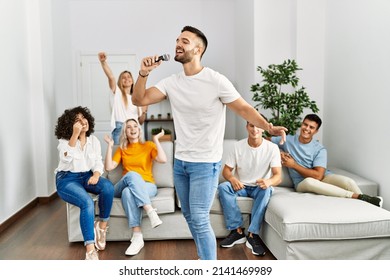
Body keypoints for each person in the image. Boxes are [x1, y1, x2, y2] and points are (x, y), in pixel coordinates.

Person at [131, 25, 287, 260]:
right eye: (177, 40)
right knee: (189, 216)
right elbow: (138, 99)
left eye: (184, 40)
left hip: (205, 163)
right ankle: (205, 258)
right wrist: (143, 73)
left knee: (200, 217)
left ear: (198, 48)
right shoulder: (171, 82)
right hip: (181, 162)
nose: (178, 44)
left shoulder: (216, 80)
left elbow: (244, 108)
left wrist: (268, 127)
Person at [270, 113, 383, 207]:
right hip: (301, 183)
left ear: (316, 131)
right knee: (310, 181)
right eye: (305, 124)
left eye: (311, 127)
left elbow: (319, 176)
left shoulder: (319, 149)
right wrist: (279, 152)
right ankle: (359, 197)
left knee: (349, 182)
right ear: (302, 124)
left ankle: (371, 207)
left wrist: (293, 165)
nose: (307, 129)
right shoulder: (287, 140)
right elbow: (266, 141)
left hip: (323, 178)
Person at [54, 106, 114, 260]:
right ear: (71, 125)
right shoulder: (64, 141)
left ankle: (102, 227)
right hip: (66, 179)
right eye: (77, 120)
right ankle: (90, 250)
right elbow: (65, 158)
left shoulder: (93, 140)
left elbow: (98, 163)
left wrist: (96, 174)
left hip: (86, 175)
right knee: (86, 202)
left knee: (107, 187)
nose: (82, 122)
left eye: (84, 118)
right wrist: (75, 135)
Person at [218, 119, 282, 256]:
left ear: (264, 129)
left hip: (260, 187)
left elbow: (278, 176)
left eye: (258, 126)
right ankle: (237, 232)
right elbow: (226, 171)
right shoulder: (237, 146)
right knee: (223, 187)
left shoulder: (272, 148)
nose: (255, 129)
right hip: (241, 186)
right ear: (247, 126)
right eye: (251, 125)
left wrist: (268, 181)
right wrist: (232, 179)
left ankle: (253, 235)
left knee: (267, 190)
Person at [104, 118, 167, 256]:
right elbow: (109, 167)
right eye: (128, 127)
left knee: (128, 193)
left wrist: (156, 139)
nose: (132, 129)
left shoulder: (149, 145)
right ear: (125, 132)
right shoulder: (122, 149)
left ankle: (137, 236)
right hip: (124, 183)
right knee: (132, 176)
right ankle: (150, 210)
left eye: (135, 126)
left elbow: (163, 159)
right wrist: (110, 145)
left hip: (148, 186)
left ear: (139, 130)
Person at [98, 52, 148, 145]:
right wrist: (103, 62)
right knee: (119, 157)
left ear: (132, 80)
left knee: (134, 156)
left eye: (129, 77)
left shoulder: (137, 99)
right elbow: (111, 77)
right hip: (120, 128)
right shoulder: (117, 93)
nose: (126, 79)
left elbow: (140, 122)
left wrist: (144, 112)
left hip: (135, 130)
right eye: (123, 78)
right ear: (120, 81)